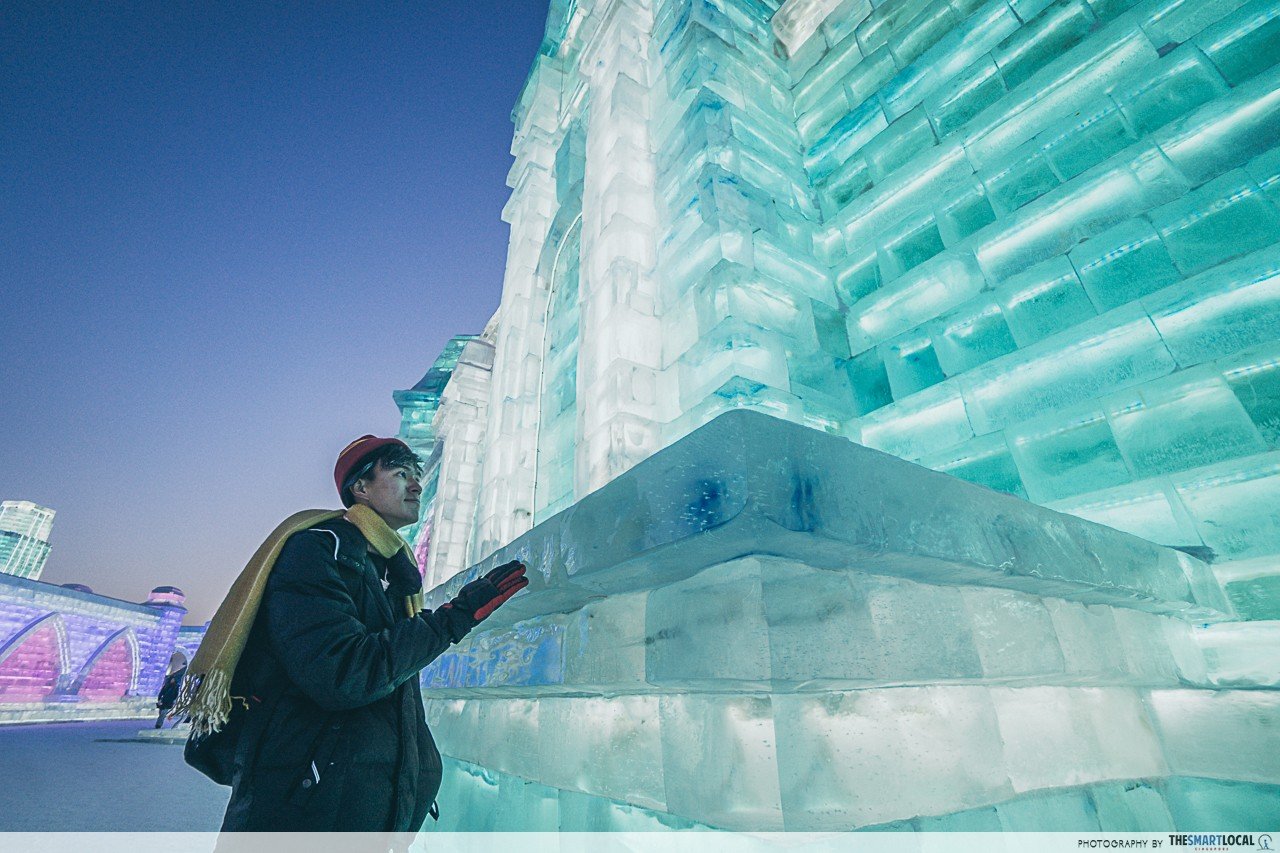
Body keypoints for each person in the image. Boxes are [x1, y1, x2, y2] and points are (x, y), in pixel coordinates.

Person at [176, 435, 527, 833]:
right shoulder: (317, 552)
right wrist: (454, 617)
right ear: (360, 488)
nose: (416, 485)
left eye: (416, 475)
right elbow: (344, 673)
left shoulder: (391, 573)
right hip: (306, 814)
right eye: (400, 474)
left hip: (359, 812)